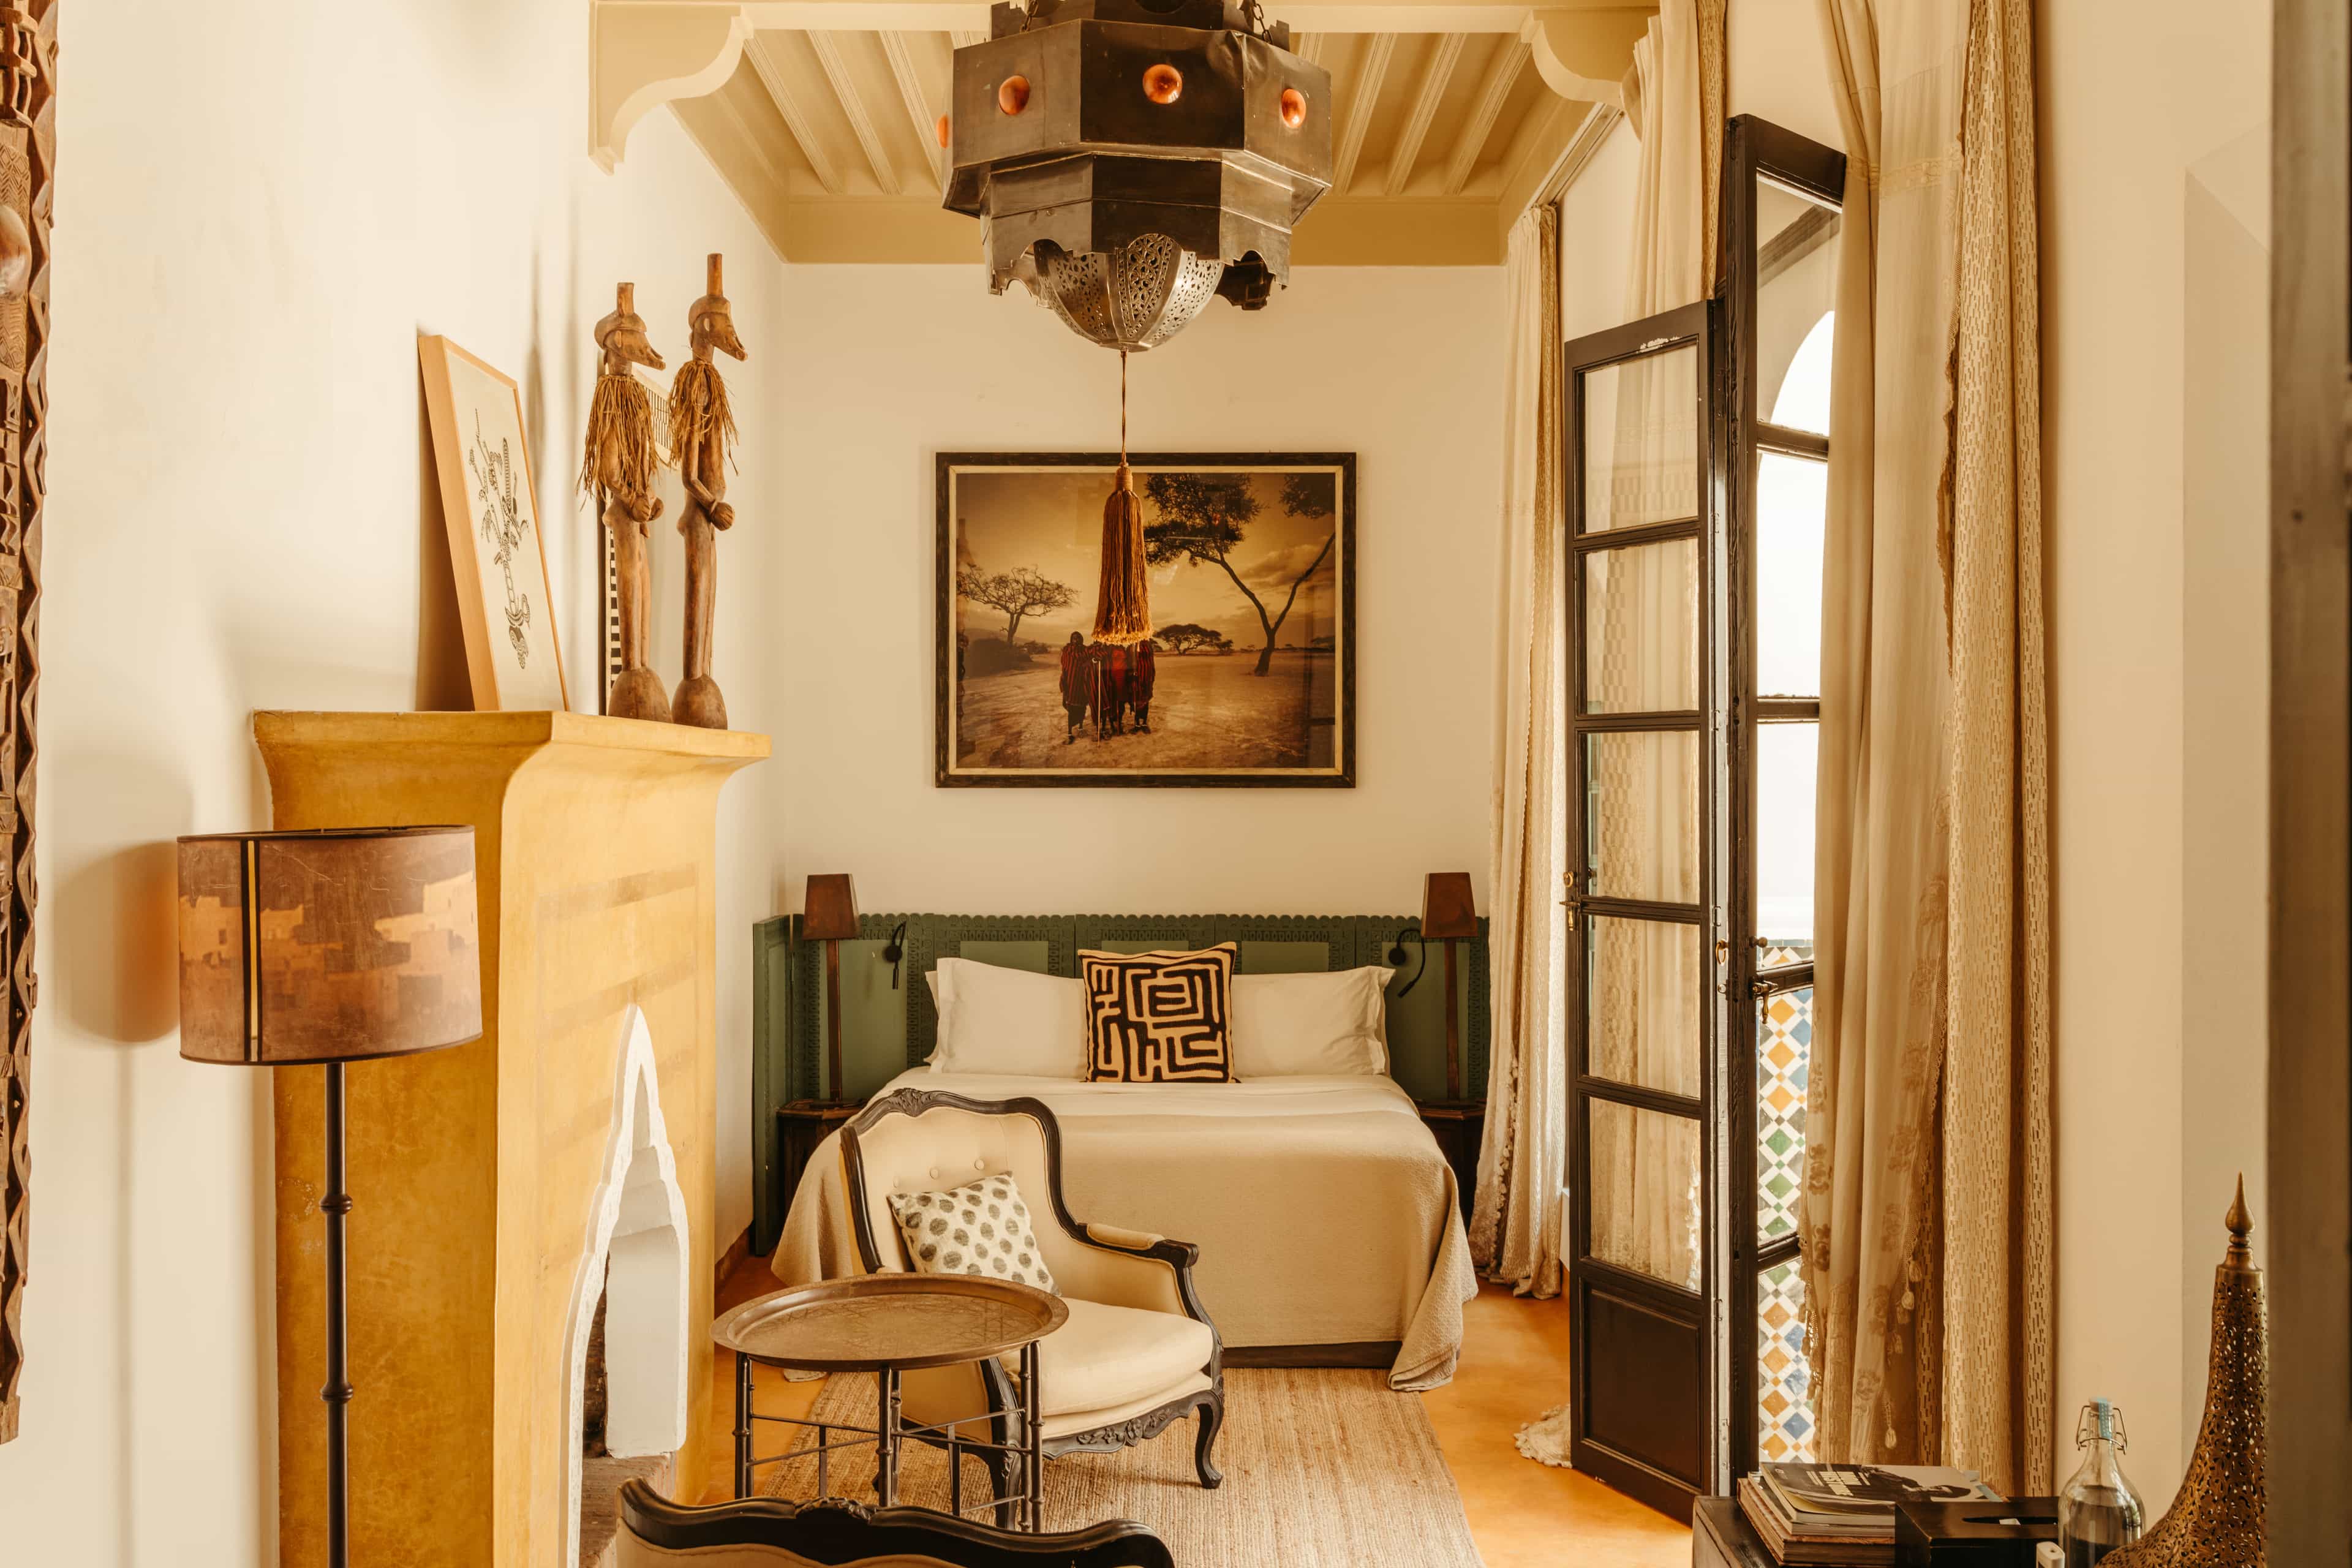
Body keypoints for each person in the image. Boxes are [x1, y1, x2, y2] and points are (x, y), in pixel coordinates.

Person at [1058, 631, 1090, 744]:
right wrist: (1064, 683)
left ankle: (1081, 728)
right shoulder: (1067, 651)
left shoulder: (1085, 651)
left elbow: (1089, 664)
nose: (1075, 640)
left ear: (1081, 639)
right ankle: (1070, 733)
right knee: (1071, 709)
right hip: (1071, 684)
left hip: (1081, 685)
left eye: (1078, 638)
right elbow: (1065, 667)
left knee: (1082, 708)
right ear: (1071, 639)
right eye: (1074, 638)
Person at [1094, 639, 1130, 738]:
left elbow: (1127, 663)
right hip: (1111, 678)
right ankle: (1111, 726)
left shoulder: (1123, 648)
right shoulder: (1108, 648)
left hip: (1122, 678)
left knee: (1121, 702)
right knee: (1111, 702)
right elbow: (1104, 660)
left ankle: (1119, 724)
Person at [1131, 637, 1158, 733]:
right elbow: (1133, 661)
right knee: (1137, 700)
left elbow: (1151, 661)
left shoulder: (1149, 645)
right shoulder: (1134, 644)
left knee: (1146, 700)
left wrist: (1152, 674)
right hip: (1137, 678)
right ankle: (1137, 724)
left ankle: (1144, 723)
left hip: (1147, 677)